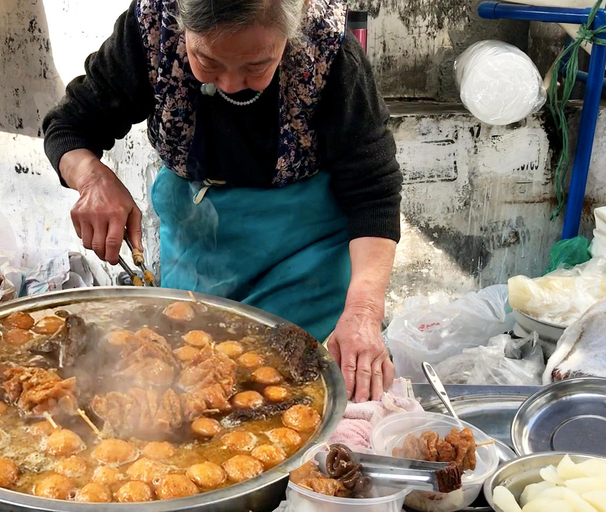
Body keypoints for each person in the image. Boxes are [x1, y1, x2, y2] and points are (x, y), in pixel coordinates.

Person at [43, 0, 403, 402]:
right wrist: (93, 179)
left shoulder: (328, 51)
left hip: (305, 254)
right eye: (207, 61)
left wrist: (363, 312)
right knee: (184, 385)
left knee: (295, 393)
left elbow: (373, 191)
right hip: (196, 238)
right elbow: (69, 125)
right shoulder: (150, 29)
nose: (229, 84)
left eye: (256, 66)